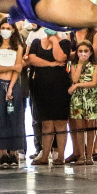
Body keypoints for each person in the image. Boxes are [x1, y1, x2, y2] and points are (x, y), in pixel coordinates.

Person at [26, 28, 71, 165]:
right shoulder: (36, 42)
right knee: (46, 123)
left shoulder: (64, 43)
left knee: (60, 122)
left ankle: (61, 156)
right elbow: (32, 59)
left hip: (60, 87)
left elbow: (60, 57)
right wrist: (51, 64)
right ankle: (45, 155)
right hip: (41, 87)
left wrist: (53, 40)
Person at [0, 18, 27, 166]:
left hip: (13, 85)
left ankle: (14, 152)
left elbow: (18, 70)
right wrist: (12, 67)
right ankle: (2, 153)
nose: (6, 30)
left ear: (13, 30)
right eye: (3, 27)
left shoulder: (18, 46)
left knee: (14, 118)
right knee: (0, 118)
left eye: (8, 28)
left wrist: (11, 87)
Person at [68, 40, 97, 165]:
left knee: (90, 127)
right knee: (79, 127)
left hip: (91, 99)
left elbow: (93, 82)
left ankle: (90, 155)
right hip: (77, 100)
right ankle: (81, 155)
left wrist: (77, 86)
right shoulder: (74, 65)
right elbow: (74, 78)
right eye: (80, 51)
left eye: (86, 51)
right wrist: (80, 64)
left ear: (91, 52)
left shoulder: (95, 66)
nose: (83, 53)